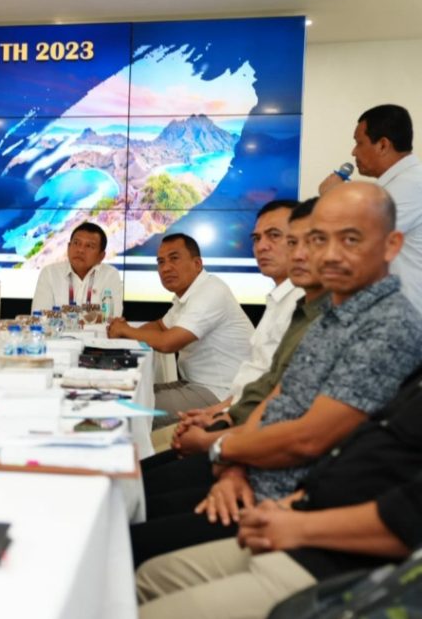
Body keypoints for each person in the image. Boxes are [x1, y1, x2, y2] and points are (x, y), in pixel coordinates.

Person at [129, 182, 422, 567]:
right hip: (248, 462)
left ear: (391, 245)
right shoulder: (324, 315)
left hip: (278, 494)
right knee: (129, 493)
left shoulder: (386, 326)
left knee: (132, 529)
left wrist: (220, 447)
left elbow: (308, 440)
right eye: (317, 240)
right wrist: (226, 444)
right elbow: (272, 399)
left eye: (348, 239)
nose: (314, 253)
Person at [136, 361, 422, 619]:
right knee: (148, 574)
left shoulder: (396, 331)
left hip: (346, 568)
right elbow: (346, 449)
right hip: (296, 511)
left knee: (138, 570)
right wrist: (289, 502)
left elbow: (310, 441)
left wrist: (298, 525)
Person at [143, 199, 328, 519]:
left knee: (139, 490)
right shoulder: (283, 301)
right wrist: (215, 415)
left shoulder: (323, 314)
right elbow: (261, 386)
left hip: (261, 466)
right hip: (234, 425)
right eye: (257, 238)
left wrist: (218, 441)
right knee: (137, 480)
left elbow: (288, 415)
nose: (262, 246)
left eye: (275, 236)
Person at [107, 233, 253, 425]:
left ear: (197, 264)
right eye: (161, 262)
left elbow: (168, 343)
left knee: (122, 408)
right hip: (194, 384)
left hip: (221, 393)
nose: (166, 268)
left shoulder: (210, 292)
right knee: (122, 393)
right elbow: (160, 326)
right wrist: (125, 333)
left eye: (174, 258)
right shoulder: (188, 294)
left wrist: (125, 331)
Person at [320, 105, 422, 313]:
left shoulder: (411, 184)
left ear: (383, 145)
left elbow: (358, 240)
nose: (353, 152)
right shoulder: (397, 184)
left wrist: (333, 197)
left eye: (359, 143)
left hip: (406, 318)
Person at [31, 221, 122, 316]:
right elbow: (39, 317)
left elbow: (112, 318)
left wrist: (61, 316)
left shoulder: (110, 275)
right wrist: (93, 318)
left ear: (101, 256)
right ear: (68, 247)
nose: (80, 250)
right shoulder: (50, 273)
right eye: (76, 243)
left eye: (89, 246)